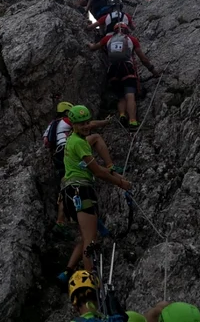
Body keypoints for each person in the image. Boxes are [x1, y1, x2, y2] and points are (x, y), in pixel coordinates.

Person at [59, 105, 131, 277]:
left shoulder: (73, 139)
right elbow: (97, 172)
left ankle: (68, 271)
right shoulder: (79, 143)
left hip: (70, 193)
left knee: (86, 236)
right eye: (81, 123)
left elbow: (93, 167)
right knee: (91, 240)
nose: (85, 126)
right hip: (81, 191)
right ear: (73, 124)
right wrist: (121, 183)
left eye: (87, 122)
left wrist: (115, 174)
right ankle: (91, 278)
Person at [87, 23, 160, 129]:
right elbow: (143, 59)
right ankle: (133, 121)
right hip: (127, 68)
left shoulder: (108, 39)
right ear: (126, 30)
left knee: (121, 97)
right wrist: (154, 71)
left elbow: (93, 48)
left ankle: (122, 115)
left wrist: (89, 44)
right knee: (130, 95)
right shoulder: (131, 39)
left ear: (114, 30)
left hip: (113, 69)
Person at [43, 102, 74, 233]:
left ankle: (60, 219)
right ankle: (72, 216)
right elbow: (83, 124)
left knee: (65, 184)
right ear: (68, 112)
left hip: (57, 155)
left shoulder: (51, 125)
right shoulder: (66, 121)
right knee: (74, 181)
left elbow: (46, 141)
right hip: (66, 151)